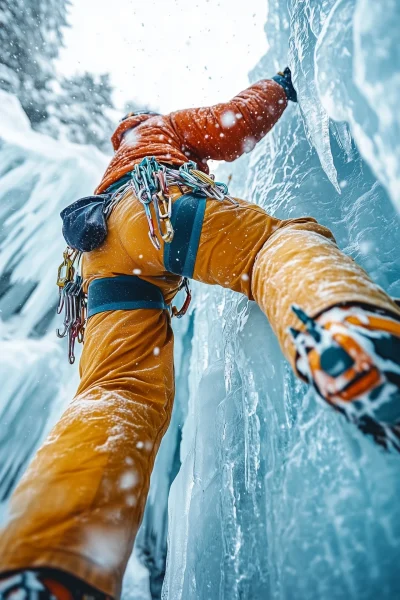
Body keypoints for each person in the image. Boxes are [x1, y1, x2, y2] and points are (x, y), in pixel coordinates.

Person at [0, 68, 399, 600]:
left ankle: (50, 559)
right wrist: (279, 87)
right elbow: (230, 127)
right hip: (158, 209)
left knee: (117, 393)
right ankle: (343, 326)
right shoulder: (162, 130)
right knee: (267, 248)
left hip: (99, 261)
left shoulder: (111, 166)